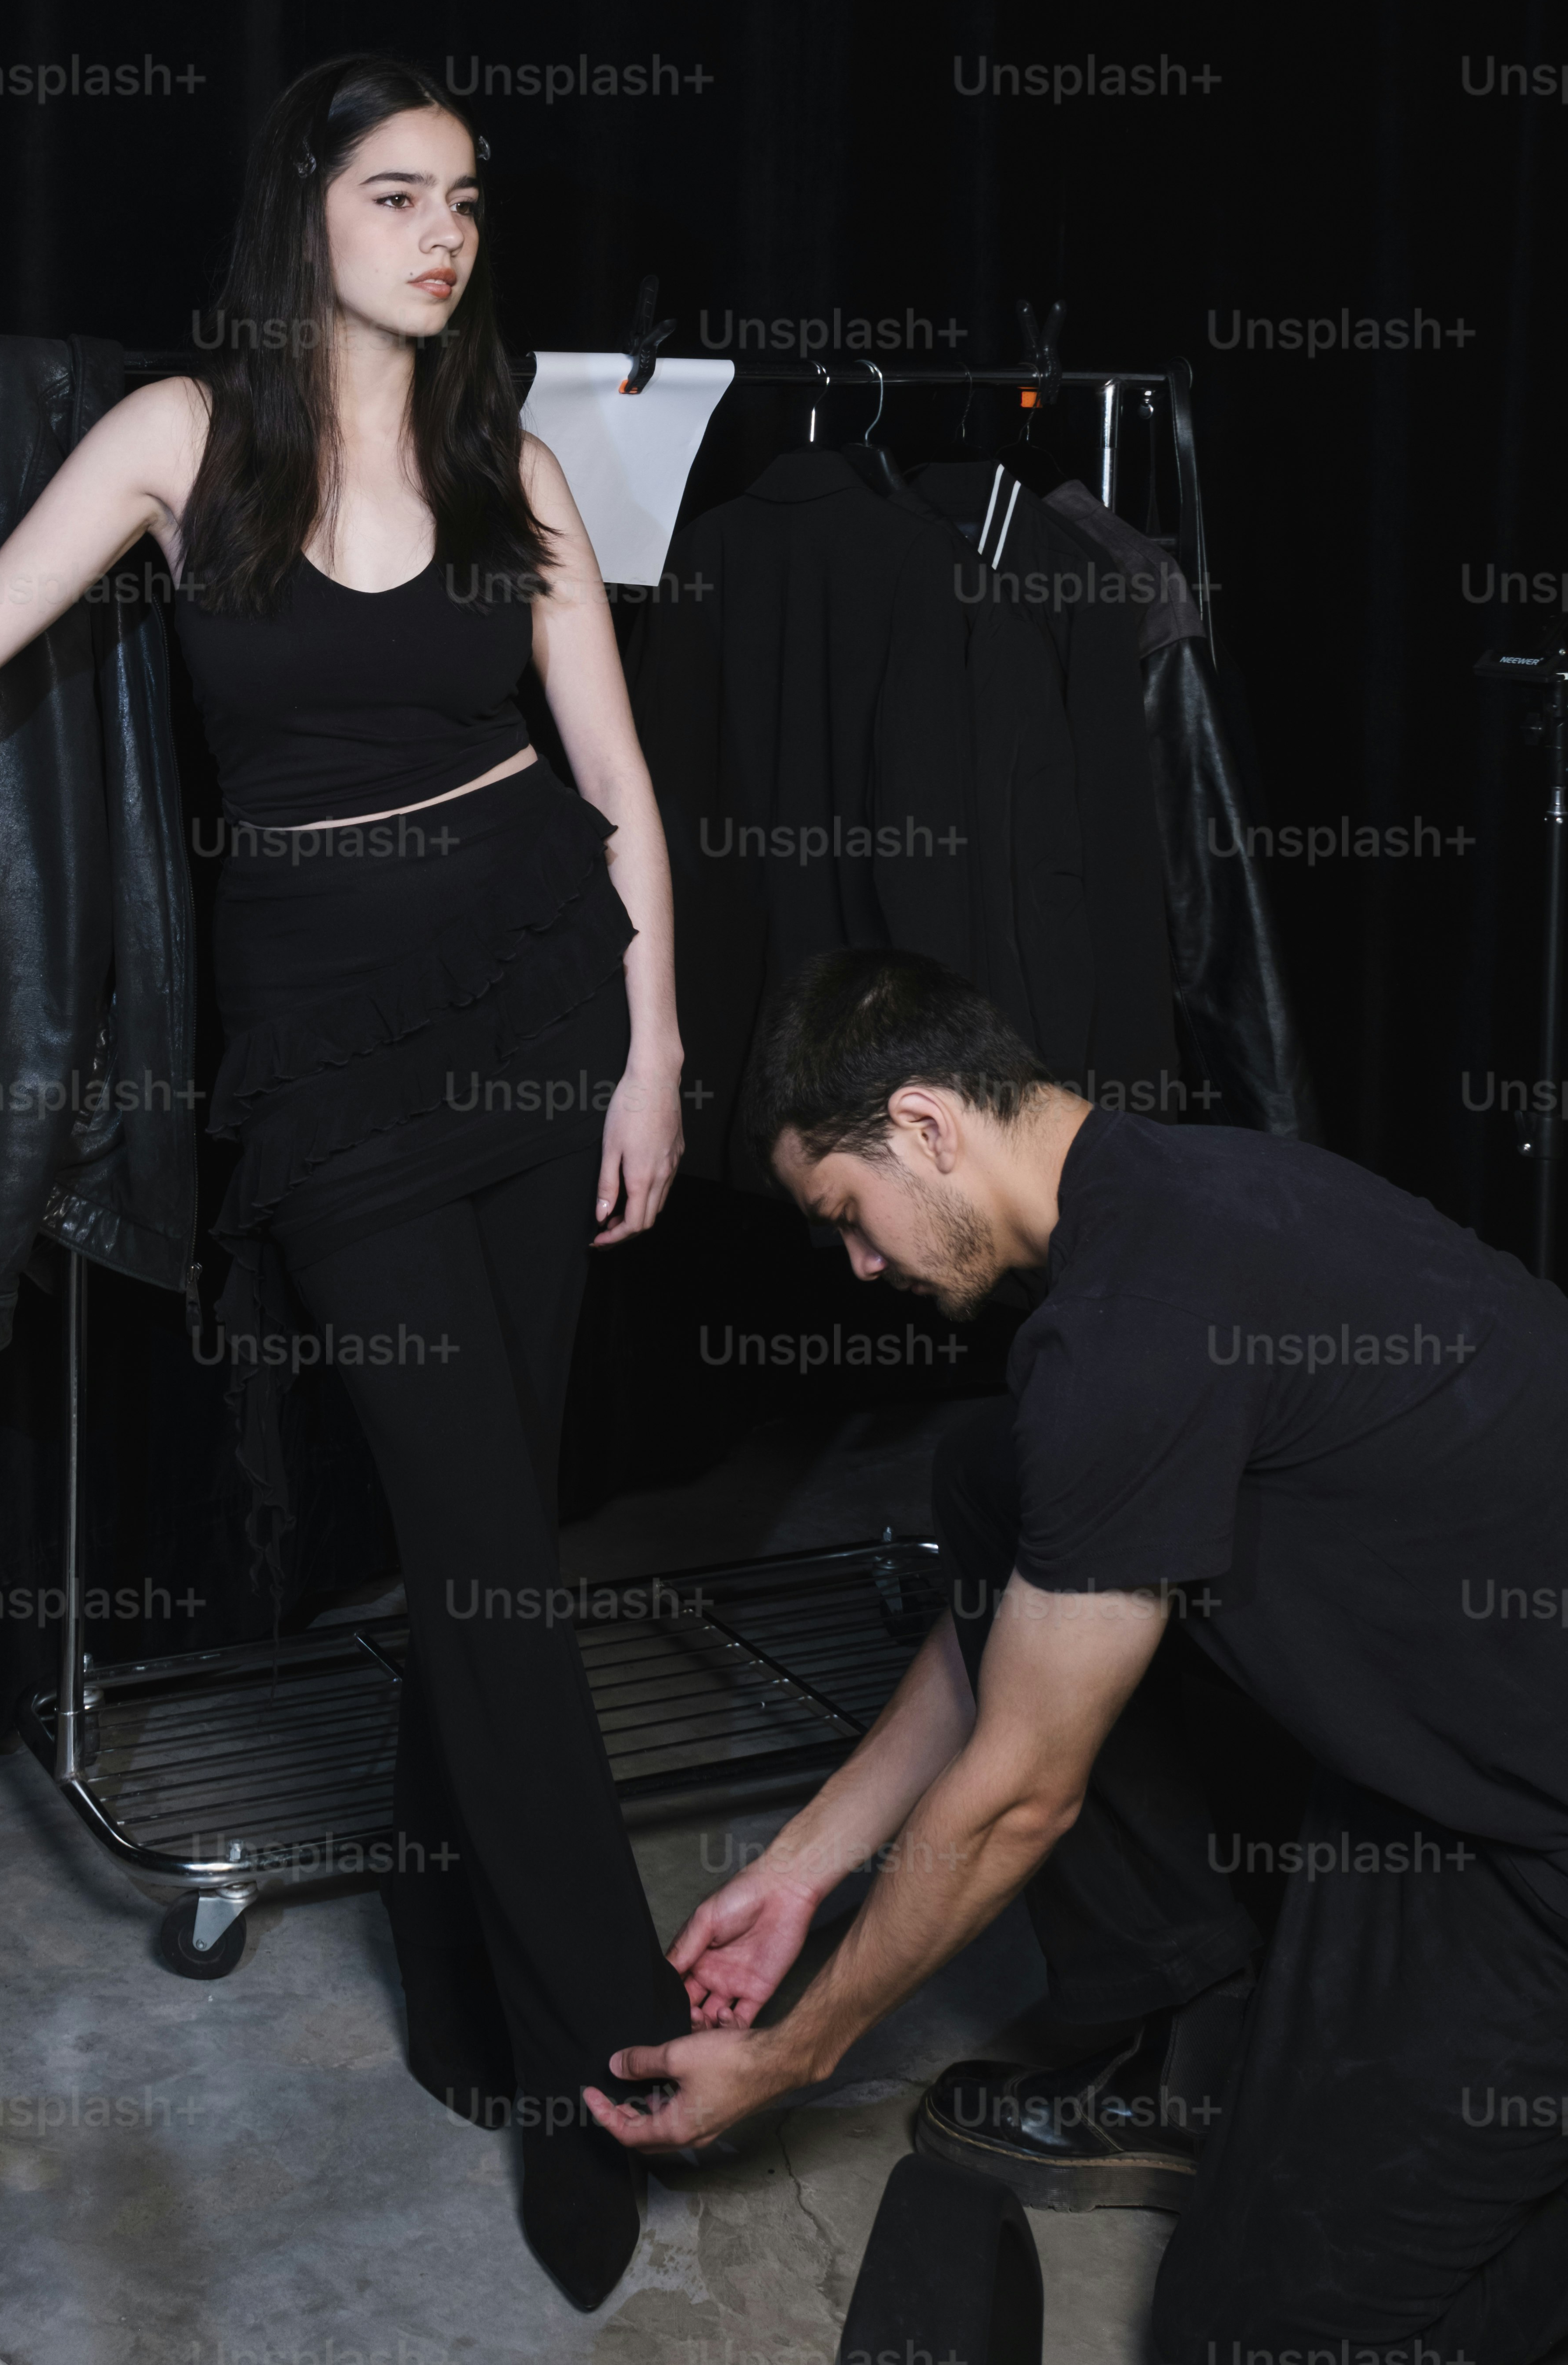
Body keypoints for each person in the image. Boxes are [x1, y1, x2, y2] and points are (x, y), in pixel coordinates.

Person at [0, 51, 694, 2308]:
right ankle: (610, 2060)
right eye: (399, 195)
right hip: (330, 1074)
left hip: (541, 1005)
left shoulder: (507, 463)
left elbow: (616, 781)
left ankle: (466, 2008)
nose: (446, 234)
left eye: (468, 200)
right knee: (486, 1556)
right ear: (300, 216)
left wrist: (657, 1048)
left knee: (479, 1537)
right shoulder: (172, 439)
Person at [589, 945, 1568, 2363]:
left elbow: (1018, 1794)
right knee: (999, 1477)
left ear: (925, 1125)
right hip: (1470, 1740)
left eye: (848, 1216)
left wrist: (800, 2054)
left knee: (1253, 2335)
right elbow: (1019, 1608)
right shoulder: (1185, 1192)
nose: (859, 1265)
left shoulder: (1129, 1342)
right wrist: (803, 1868)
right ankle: (1194, 2033)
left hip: (1532, 1843)